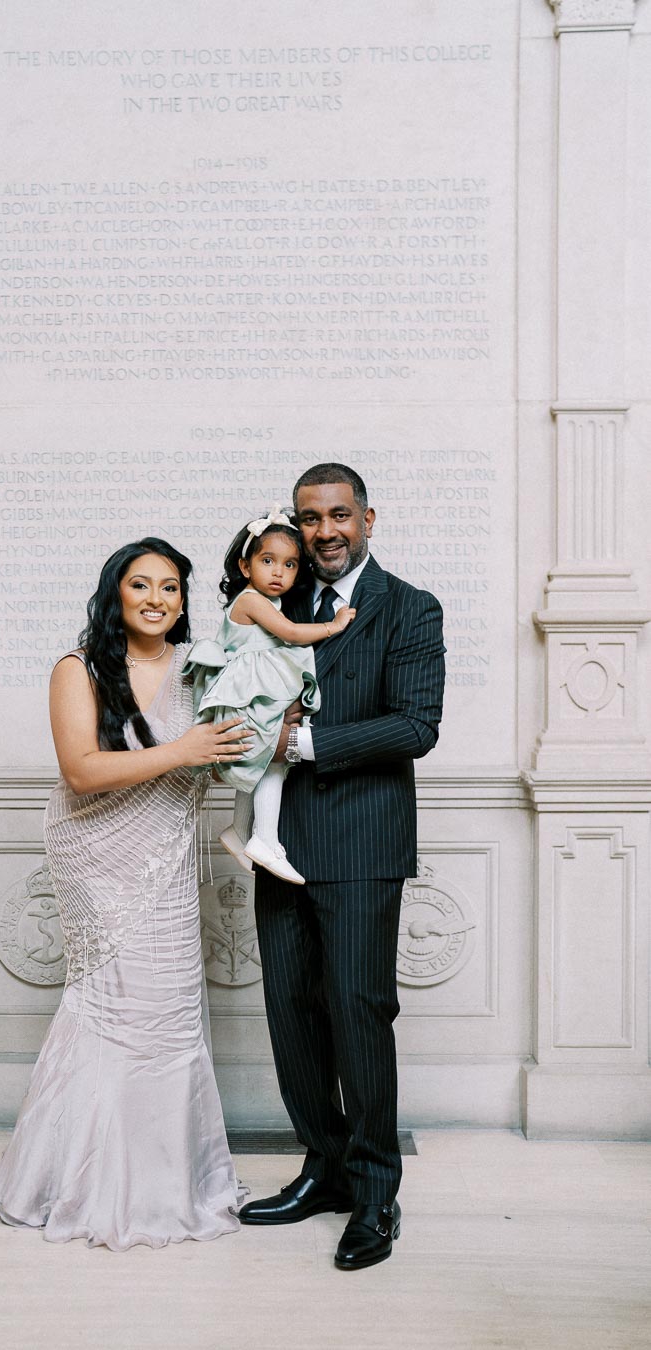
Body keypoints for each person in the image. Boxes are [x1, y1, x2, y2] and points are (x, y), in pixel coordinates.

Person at [0, 538, 251, 1251]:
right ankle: (76, 1182)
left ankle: (172, 1185)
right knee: (109, 1007)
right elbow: (79, 770)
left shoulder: (201, 668)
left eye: (171, 587)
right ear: (116, 593)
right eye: (141, 585)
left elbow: (225, 759)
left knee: (167, 1011)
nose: (157, 599)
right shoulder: (77, 668)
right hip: (96, 856)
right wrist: (183, 752)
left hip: (166, 852)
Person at [238, 465, 445, 1272]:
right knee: (291, 1012)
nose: (324, 531)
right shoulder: (277, 598)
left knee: (359, 1015)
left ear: (368, 518)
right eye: (309, 517)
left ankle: (373, 1194)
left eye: (339, 515)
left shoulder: (411, 607)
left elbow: (416, 724)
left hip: (362, 844)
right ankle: (321, 1170)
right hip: (280, 844)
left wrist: (309, 744)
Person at [186, 505, 354, 885]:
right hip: (246, 695)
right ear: (246, 566)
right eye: (268, 561)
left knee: (261, 761)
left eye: (291, 565)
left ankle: (239, 830)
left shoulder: (264, 599)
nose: (279, 572)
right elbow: (292, 633)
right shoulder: (250, 601)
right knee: (273, 760)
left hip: (253, 692)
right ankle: (266, 839)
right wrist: (333, 625)